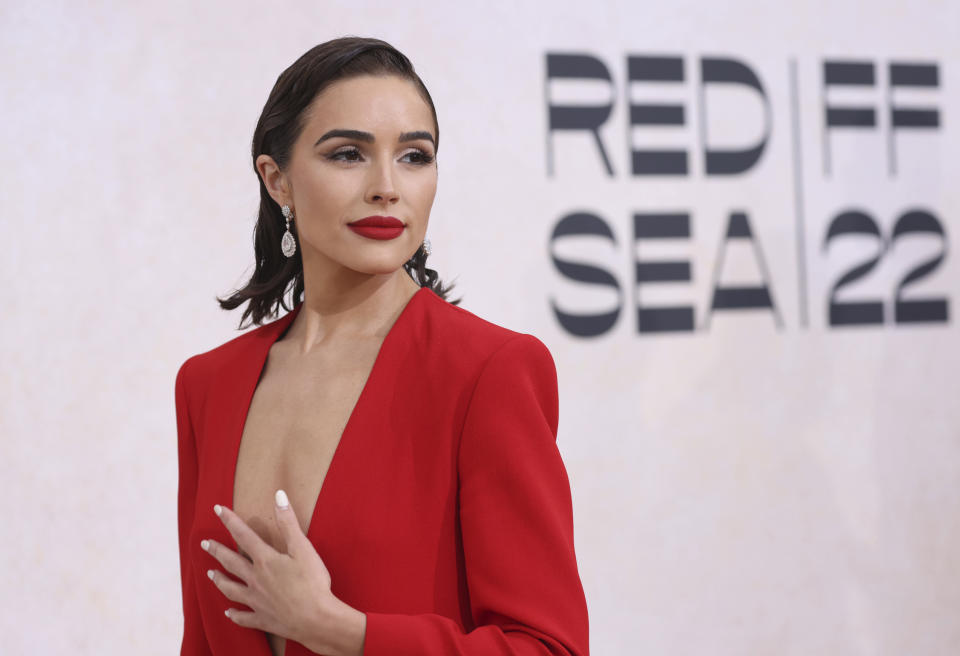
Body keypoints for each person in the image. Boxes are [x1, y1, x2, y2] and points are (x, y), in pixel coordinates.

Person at [174, 36, 589, 656]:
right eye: (348, 154)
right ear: (277, 179)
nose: (387, 187)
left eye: (415, 157)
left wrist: (343, 632)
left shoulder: (488, 372)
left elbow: (549, 648)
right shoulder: (207, 384)